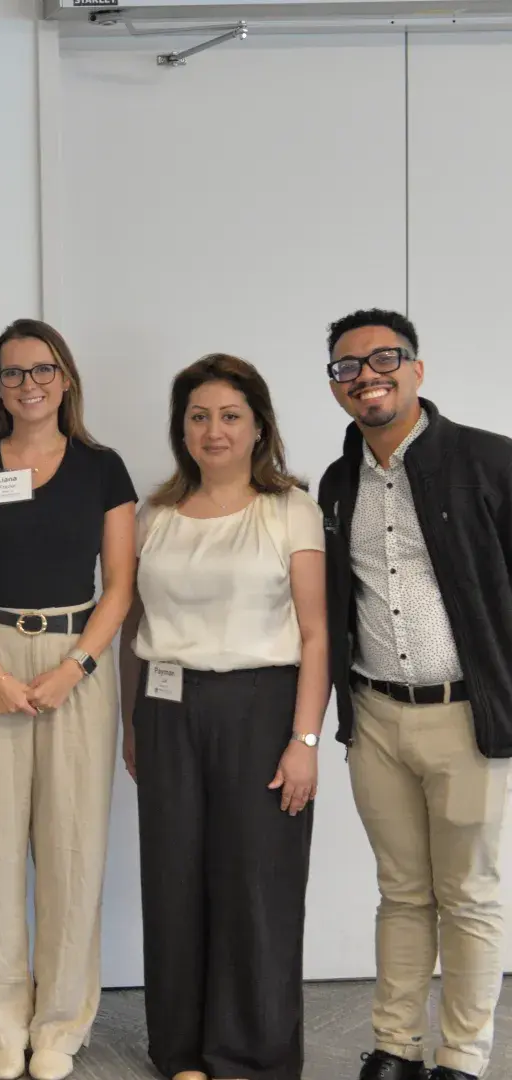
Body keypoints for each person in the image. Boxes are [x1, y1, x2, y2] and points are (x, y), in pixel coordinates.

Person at [0, 320, 135, 1080]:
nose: (29, 385)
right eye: (14, 373)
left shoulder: (102, 469)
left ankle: (58, 1026)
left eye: (42, 370)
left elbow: (119, 586)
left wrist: (75, 666)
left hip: (74, 659)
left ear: (66, 377)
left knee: (72, 848)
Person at [120, 354, 326, 1080]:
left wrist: (305, 740)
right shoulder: (155, 514)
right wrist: (131, 724)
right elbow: (133, 624)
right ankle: (181, 1051)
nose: (215, 430)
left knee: (256, 886)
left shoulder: (290, 509)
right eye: (199, 416)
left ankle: (250, 1057)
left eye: (231, 416)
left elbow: (316, 635)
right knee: (172, 880)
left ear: (259, 426)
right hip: (167, 709)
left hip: (262, 708)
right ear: (181, 428)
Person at [319, 311, 512, 1080]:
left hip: (468, 718)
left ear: (417, 370)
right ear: (335, 386)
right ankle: (395, 1047)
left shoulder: (490, 461)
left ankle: (461, 1058)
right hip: (376, 718)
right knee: (400, 891)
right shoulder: (338, 484)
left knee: (468, 895)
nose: (366, 376)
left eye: (383, 359)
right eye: (347, 366)